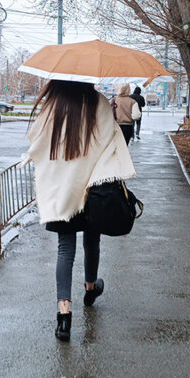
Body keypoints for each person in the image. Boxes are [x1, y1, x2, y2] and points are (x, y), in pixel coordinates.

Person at [27, 80, 136, 341]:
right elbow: (110, 141)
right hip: (91, 188)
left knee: (65, 248)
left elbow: (38, 141)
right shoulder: (98, 102)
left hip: (63, 190)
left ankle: (64, 316)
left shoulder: (52, 105)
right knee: (92, 238)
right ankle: (90, 288)